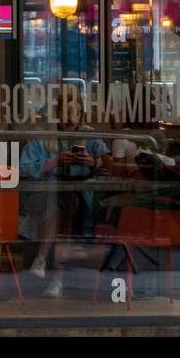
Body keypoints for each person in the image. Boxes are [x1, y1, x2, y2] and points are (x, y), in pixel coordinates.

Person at [19, 97, 109, 298]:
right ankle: (57, 279)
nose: (70, 118)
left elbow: (110, 164)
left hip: (79, 196)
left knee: (68, 202)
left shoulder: (90, 137)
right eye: (65, 112)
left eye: (74, 112)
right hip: (47, 194)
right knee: (63, 203)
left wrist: (92, 163)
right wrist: (54, 162)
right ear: (56, 115)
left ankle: (42, 260)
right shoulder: (41, 139)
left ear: (81, 115)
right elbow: (22, 169)